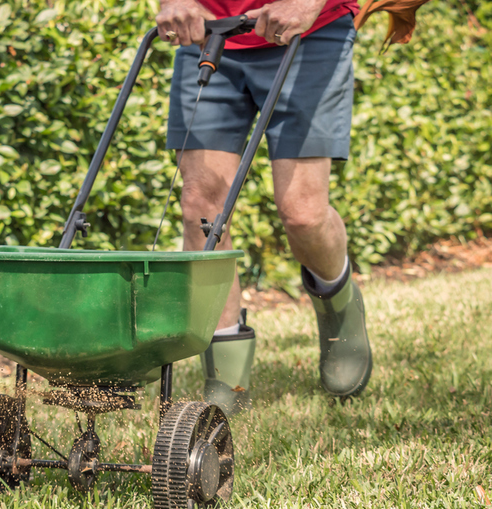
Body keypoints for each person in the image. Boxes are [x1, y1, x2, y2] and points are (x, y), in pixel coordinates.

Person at [156, 0, 372, 414]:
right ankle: (226, 373)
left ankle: (338, 306)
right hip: (211, 31)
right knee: (200, 204)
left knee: (303, 213)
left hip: (309, 32)